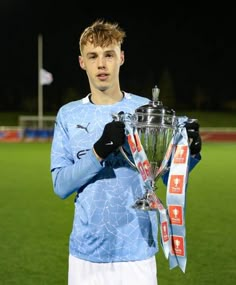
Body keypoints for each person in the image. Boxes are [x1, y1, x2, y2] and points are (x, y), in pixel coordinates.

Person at [50, 19, 202, 285]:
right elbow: (61, 185)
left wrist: (188, 155)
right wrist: (98, 151)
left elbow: (165, 178)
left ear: (121, 57)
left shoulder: (147, 111)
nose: (101, 64)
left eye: (109, 55)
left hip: (138, 250)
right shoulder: (68, 114)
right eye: (93, 56)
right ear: (81, 62)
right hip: (86, 253)